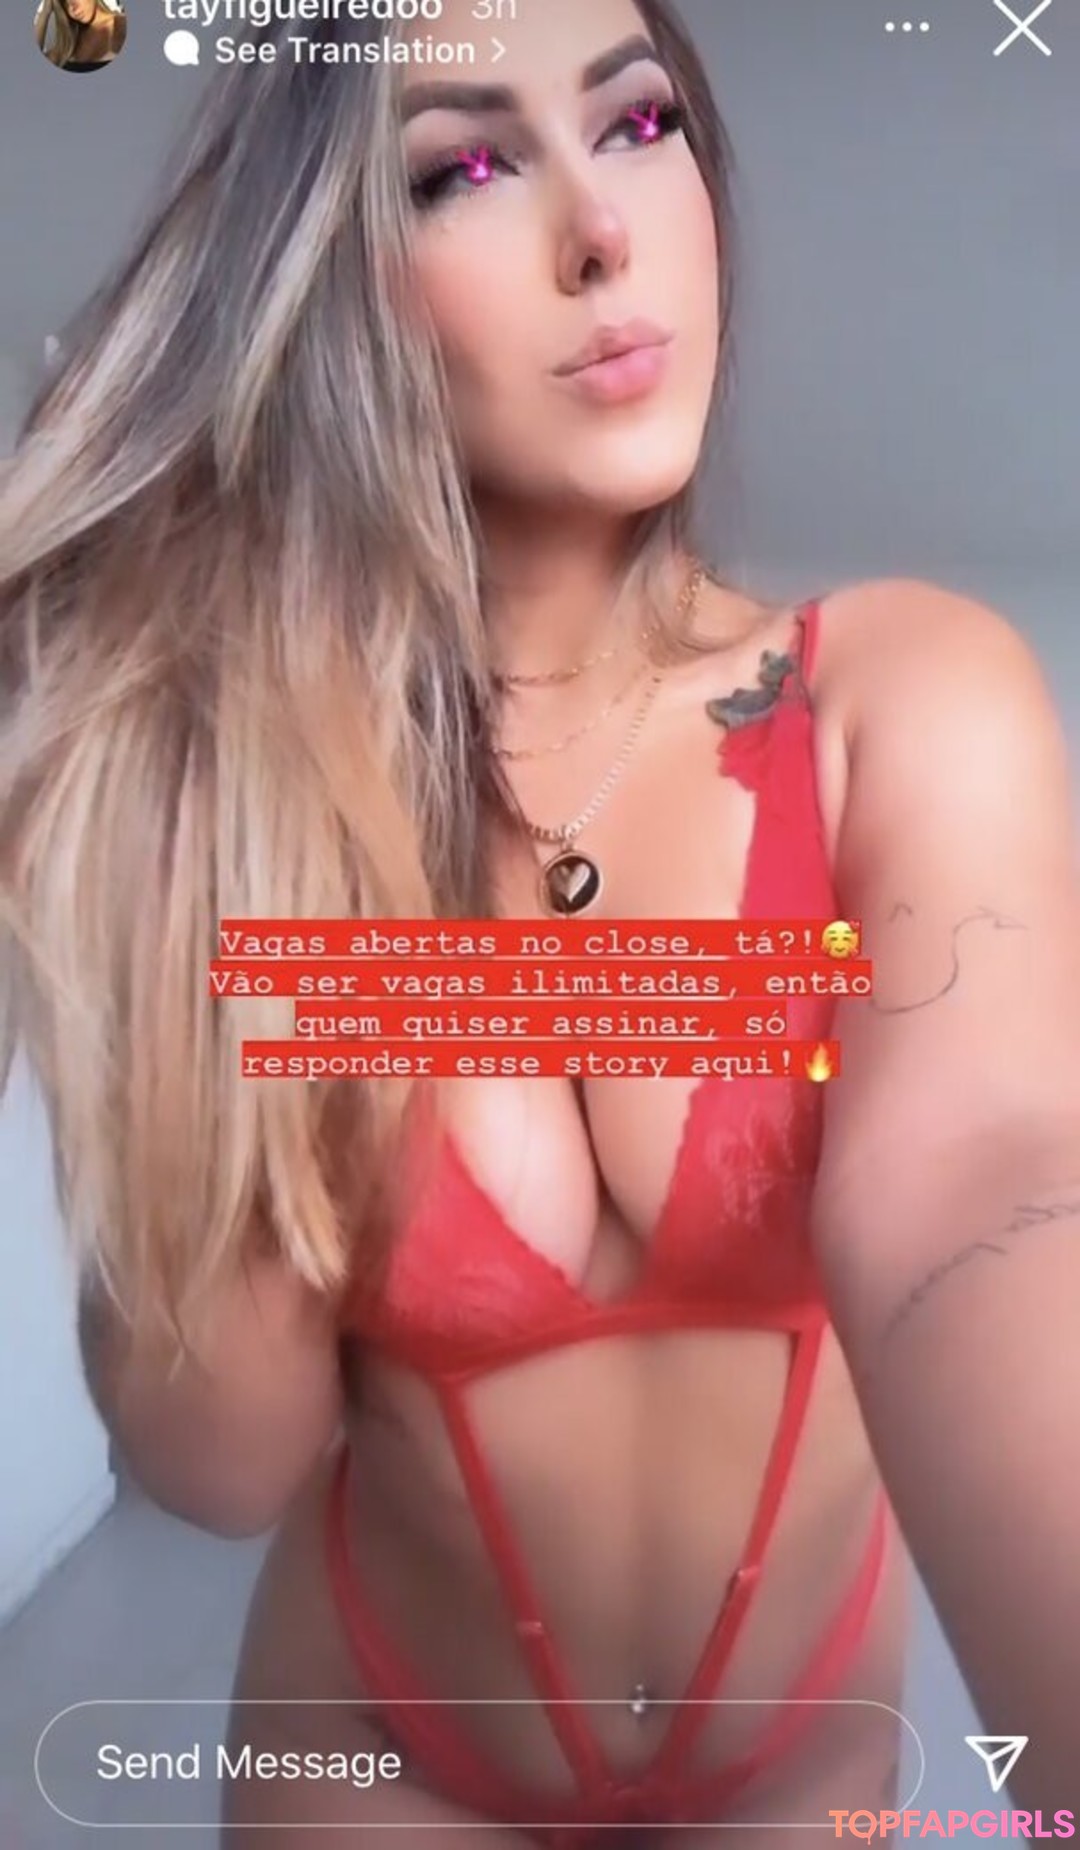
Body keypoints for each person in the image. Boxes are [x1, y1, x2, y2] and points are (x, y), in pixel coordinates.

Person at [2, 0, 1078, 1841]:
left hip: (793, 1755)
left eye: (640, 126)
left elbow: (988, 1187)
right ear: (337, 289)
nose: (600, 229)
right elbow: (226, 1458)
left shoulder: (892, 702)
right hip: (382, 1749)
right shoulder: (280, 803)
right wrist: (175, 912)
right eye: (466, 168)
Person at [34, 0, 126, 72]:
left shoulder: (121, 24)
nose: (73, 8)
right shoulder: (70, 40)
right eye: (65, 3)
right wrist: (45, 12)